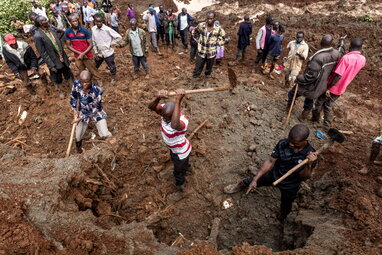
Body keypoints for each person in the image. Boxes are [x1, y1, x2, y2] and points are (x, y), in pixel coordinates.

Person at [224, 124, 318, 221]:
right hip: (274, 175)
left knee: (286, 204)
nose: (290, 144)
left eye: (295, 143)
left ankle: (282, 216)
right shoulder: (283, 143)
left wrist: (309, 164)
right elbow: (270, 161)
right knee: (252, 180)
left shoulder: (311, 155)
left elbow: (304, 177)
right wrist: (255, 179)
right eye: (290, 140)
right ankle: (240, 185)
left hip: (291, 184)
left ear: (305, 141)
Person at [287, 34, 345, 121]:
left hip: (311, 84)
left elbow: (309, 77)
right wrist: (341, 43)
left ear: (321, 42)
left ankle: (289, 109)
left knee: (292, 93)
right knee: (310, 98)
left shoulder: (318, 58)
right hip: (321, 84)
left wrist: (299, 77)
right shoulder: (336, 54)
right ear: (331, 43)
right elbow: (341, 52)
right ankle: (304, 115)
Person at [312, 38, 366, 126]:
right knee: (328, 104)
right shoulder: (362, 59)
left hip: (333, 85)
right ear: (361, 47)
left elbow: (338, 75)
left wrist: (328, 87)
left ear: (350, 46)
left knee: (319, 102)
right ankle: (326, 124)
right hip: (342, 87)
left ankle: (315, 120)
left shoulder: (346, 58)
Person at [148, 89, 192, 191]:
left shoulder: (182, 120)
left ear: (174, 115)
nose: (164, 119)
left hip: (180, 152)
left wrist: (178, 101)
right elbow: (150, 107)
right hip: (175, 150)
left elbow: (175, 125)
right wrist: (158, 97)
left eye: (167, 118)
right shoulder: (165, 113)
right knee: (182, 162)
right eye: (163, 116)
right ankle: (187, 167)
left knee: (177, 171)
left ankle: (180, 183)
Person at [70, 70, 111, 153]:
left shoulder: (97, 91)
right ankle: (79, 150)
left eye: (87, 82)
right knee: (78, 135)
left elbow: (95, 109)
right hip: (82, 111)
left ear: (91, 79)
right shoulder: (77, 84)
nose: (84, 84)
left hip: (96, 113)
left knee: (105, 134)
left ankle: (110, 147)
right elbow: (73, 96)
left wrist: (80, 118)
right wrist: (74, 108)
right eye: (82, 82)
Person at [33, 15, 72, 98]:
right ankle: (60, 91)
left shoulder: (51, 29)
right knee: (57, 76)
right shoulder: (38, 36)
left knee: (67, 71)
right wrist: (51, 65)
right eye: (45, 20)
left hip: (61, 55)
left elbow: (60, 33)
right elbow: (42, 53)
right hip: (53, 59)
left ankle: (73, 88)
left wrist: (56, 42)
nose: (47, 20)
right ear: (40, 23)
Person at [192, 11, 228, 79]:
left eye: (211, 18)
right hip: (201, 52)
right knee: (197, 68)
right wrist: (198, 41)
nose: (209, 20)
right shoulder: (201, 25)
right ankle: (194, 79)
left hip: (211, 53)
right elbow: (194, 32)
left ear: (214, 19)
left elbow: (227, 38)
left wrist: (219, 43)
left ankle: (206, 79)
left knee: (209, 69)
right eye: (208, 18)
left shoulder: (218, 29)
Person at [65, 14, 101, 80]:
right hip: (77, 56)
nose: (75, 23)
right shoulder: (68, 32)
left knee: (93, 70)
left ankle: (99, 82)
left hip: (87, 55)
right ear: (70, 22)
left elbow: (91, 45)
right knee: (82, 72)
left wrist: (83, 54)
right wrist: (79, 54)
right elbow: (68, 45)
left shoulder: (84, 31)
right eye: (73, 21)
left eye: (76, 21)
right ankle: (86, 83)